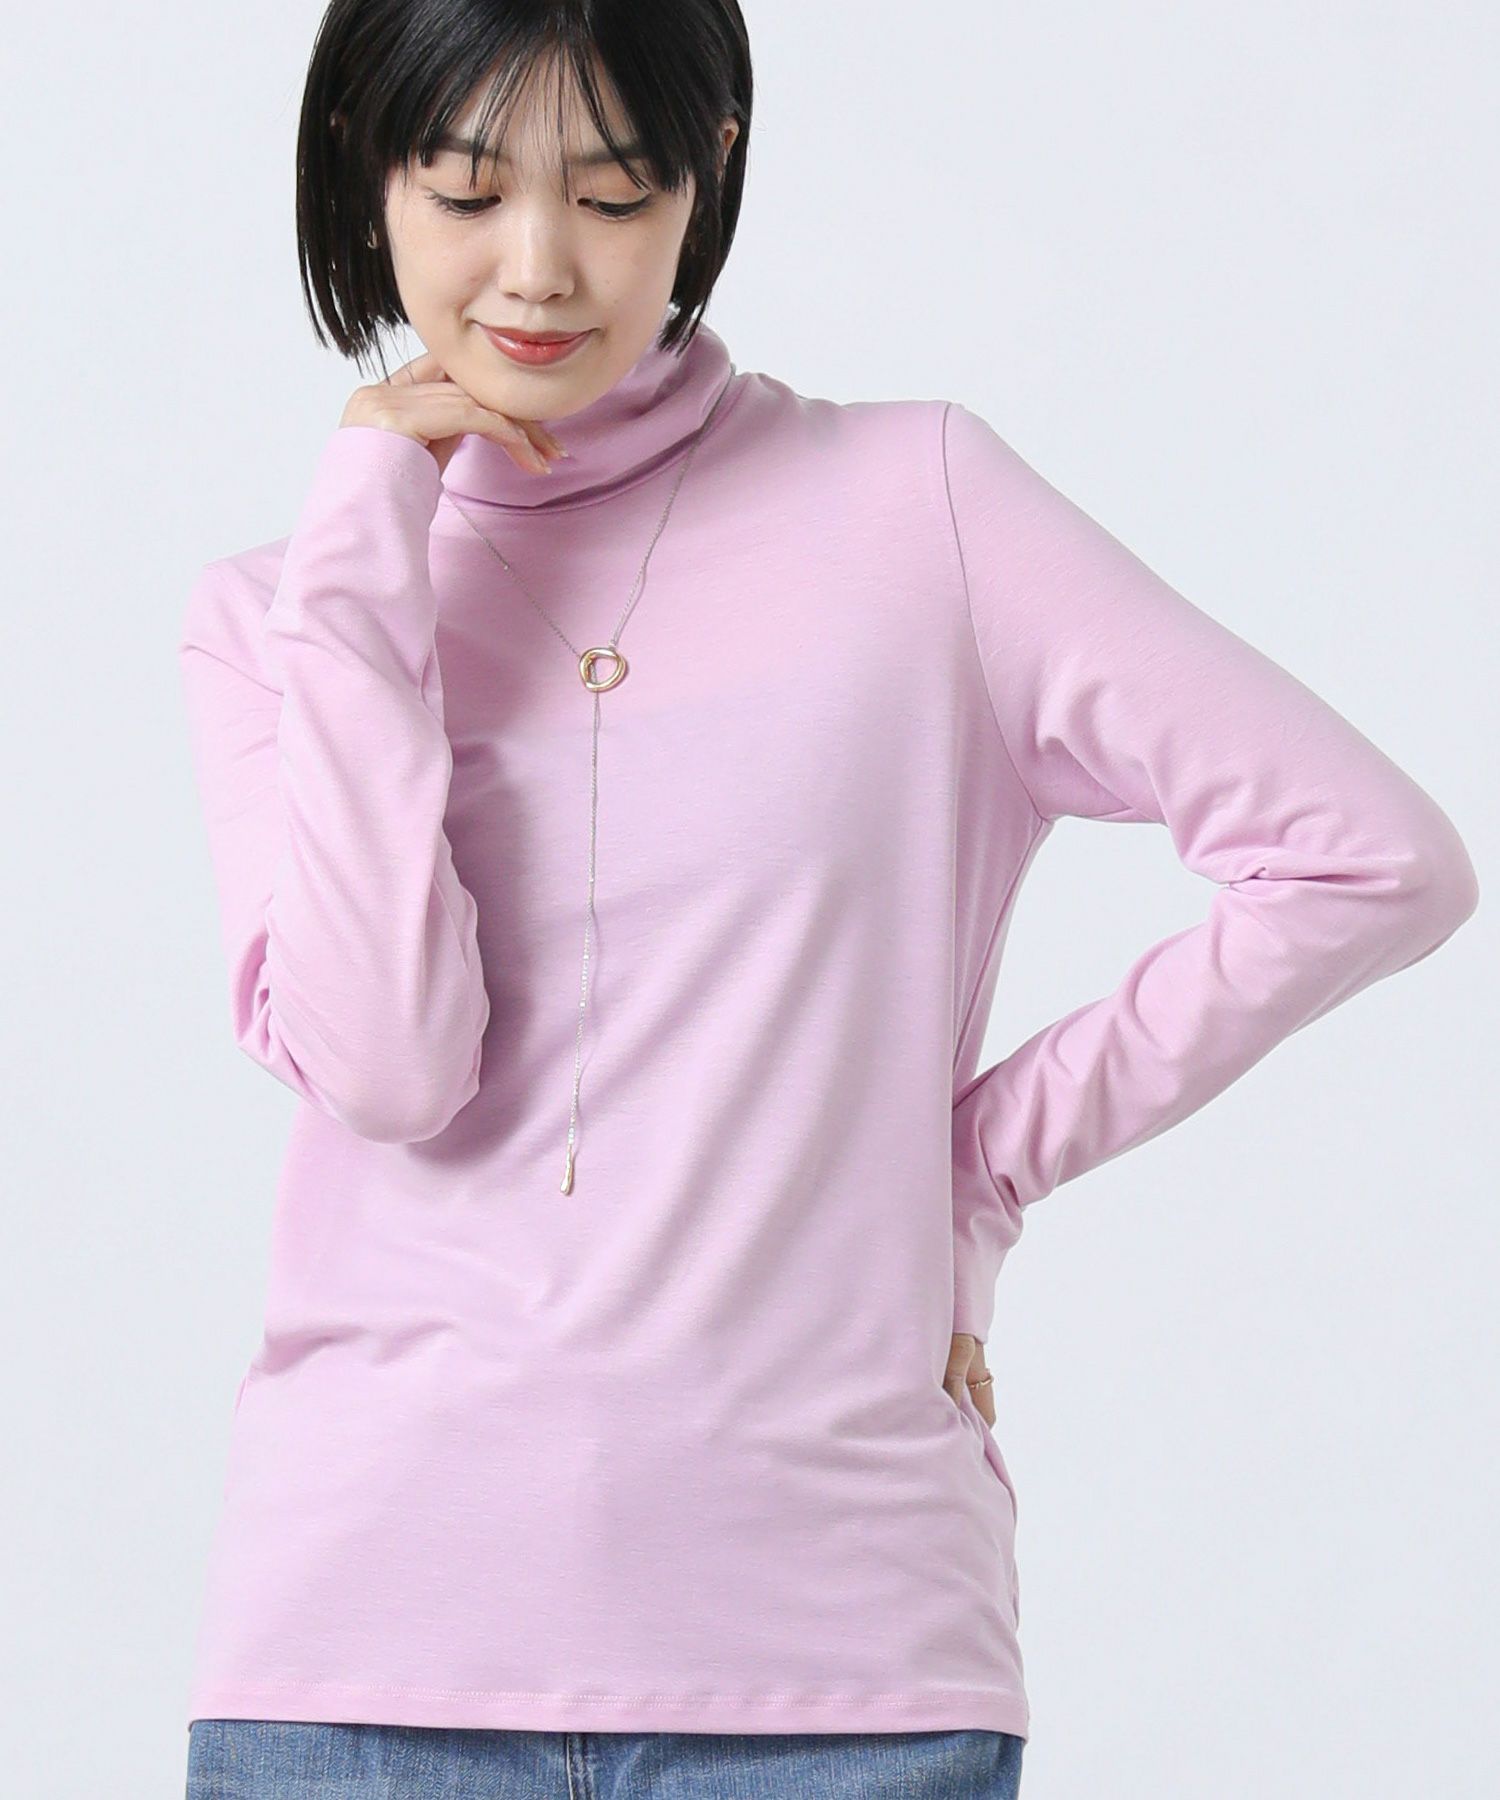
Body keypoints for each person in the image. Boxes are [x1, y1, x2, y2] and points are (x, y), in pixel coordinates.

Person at [176, 3, 1478, 1796]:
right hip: (361, 1658)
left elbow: (1366, 856)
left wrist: (977, 1162)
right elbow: (395, 1069)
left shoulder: (918, 508)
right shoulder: (280, 617)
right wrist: (361, 558)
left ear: (708, 173)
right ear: (361, 169)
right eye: (467, 192)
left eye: (614, 194)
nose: (538, 266)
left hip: (837, 1663)